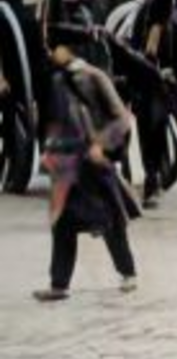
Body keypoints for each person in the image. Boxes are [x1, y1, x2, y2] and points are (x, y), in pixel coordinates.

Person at [34, 24, 140, 301]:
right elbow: (55, 119)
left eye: (54, 46)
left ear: (68, 48)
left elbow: (121, 118)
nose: (50, 51)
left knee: (110, 222)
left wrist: (100, 145)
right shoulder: (56, 79)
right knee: (62, 224)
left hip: (93, 163)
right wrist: (49, 148)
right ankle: (59, 284)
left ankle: (128, 272)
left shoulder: (94, 76)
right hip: (66, 162)